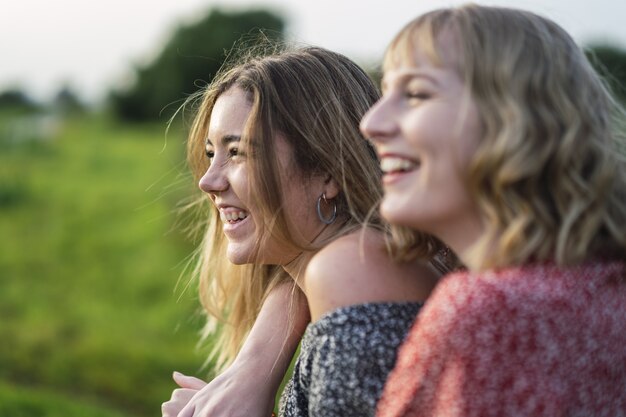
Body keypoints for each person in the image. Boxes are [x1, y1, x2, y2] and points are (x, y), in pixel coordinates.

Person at [360, 4, 626, 416]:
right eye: (384, 93)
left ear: (514, 121)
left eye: (415, 93)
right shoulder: (603, 289)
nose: (371, 123)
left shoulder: (487, 311)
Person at [162, 44, 452, 417]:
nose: (208, 181)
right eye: (210, 153)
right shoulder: (343, 269)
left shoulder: (357, 271)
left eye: (237, 152)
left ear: (327, 172)